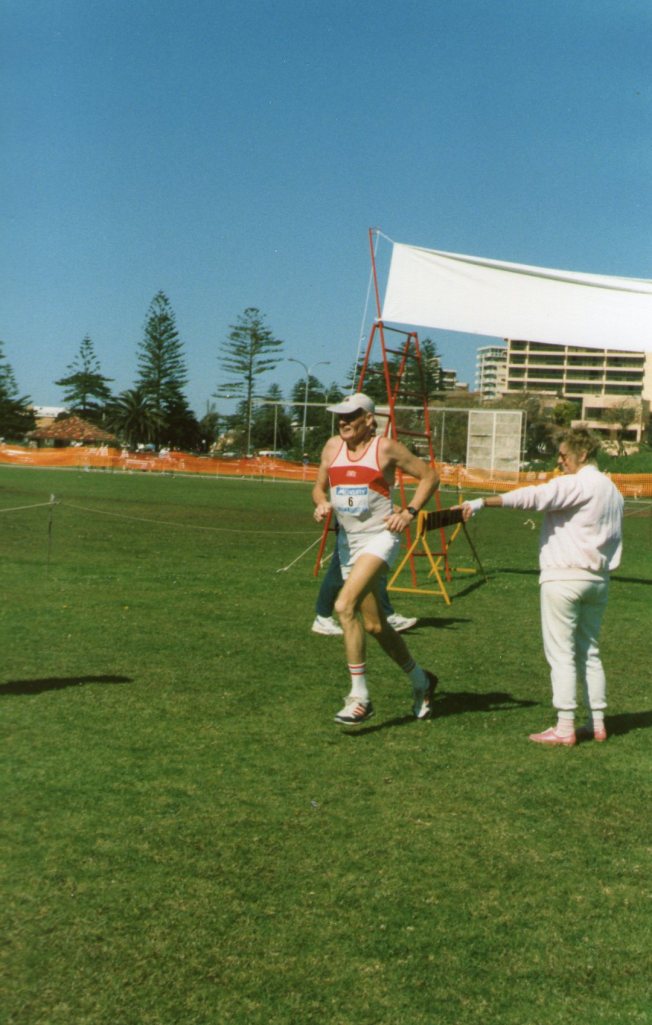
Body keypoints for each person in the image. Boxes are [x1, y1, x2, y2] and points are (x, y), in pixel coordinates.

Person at [463, 427, 624, 746]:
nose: (559, 460)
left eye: (564, 455)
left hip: (564, 577)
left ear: (582, 455)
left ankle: (565, 726)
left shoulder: (577, 482)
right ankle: (598, 722)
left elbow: (534, 497)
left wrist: (483, 502)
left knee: (561, 653)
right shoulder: (613, 490)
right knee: (589, 651)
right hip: (598, 580)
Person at [312, 392, 440, 724]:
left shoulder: (384, 448)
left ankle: (359, 698)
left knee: (344, 606)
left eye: (351, 415)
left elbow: (429, 476)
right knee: (374, 625)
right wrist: (321, 503)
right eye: (340, 415)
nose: (343, 421)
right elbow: (318, 487)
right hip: (349, 543)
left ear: (369, 419)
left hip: (381, 538)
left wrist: (410, 512)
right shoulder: (331, 447)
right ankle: (422, 681)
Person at [312, 542, 418, 636]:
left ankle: (386, 616)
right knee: (338, 571)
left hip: (366, 529)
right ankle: (323, 617)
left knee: (374, 569)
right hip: (351, 531)